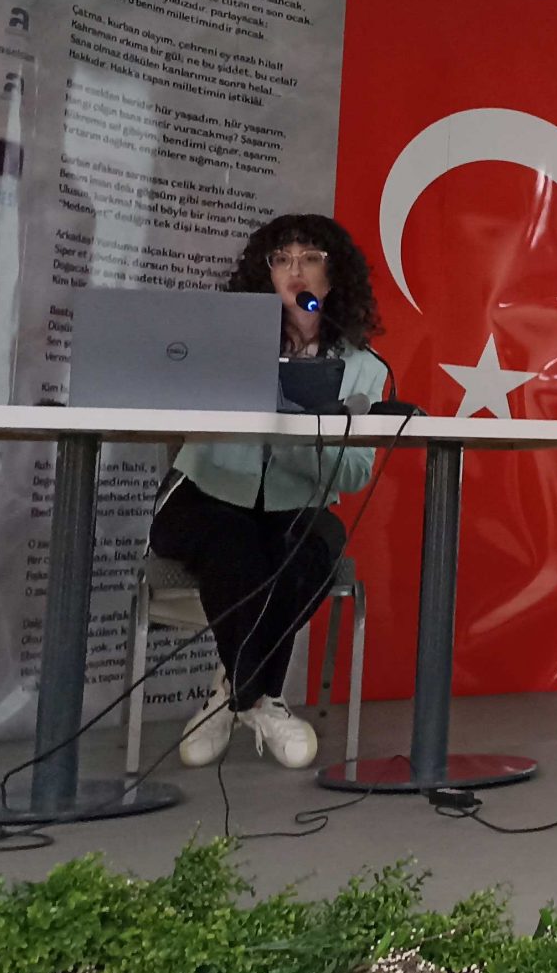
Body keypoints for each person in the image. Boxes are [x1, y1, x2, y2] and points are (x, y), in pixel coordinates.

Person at [153, 215, 390, 769]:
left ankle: (232, 692)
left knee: (309, 551)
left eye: (309, 258)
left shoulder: (363, 365)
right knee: (237, 545)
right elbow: (182, 416)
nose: (294, 270)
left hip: (296, 507)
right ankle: (262, 700)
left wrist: (289, 436)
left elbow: (355, 472)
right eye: (281, 259)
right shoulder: (225, 345)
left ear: (335, 274)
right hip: (206, 493)